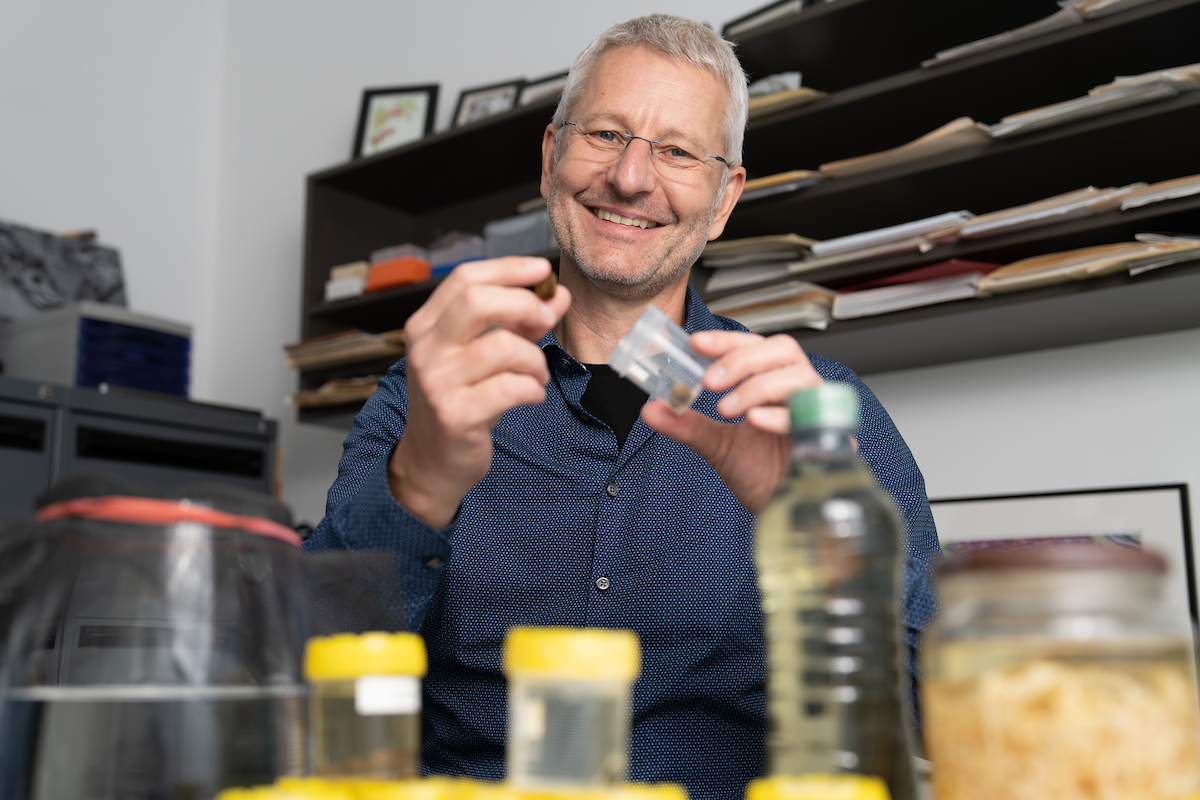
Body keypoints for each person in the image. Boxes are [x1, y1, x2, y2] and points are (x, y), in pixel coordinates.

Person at [305, 14, 940, 800]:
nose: (632, 177)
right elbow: (304, 679)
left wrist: (827, 532)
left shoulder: (819, 417)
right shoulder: (428, 395)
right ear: (551, 158)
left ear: (723, 196)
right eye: (605, 134)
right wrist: (421, 485)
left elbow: (934, 713)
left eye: (677, 151)